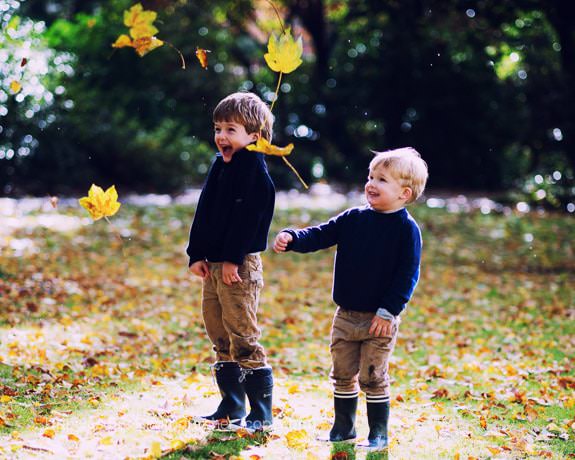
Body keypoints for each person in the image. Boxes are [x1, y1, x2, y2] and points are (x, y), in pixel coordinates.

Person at [273, 147, 428, 449]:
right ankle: (343, 428)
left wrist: (389, 311)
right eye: (370, 176)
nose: (371, 183)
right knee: (342, 374)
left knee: (373, 376)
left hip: (379, 319)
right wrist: (293, 238)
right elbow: (321, 234)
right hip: (345, 315)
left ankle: (378, 433)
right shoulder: (353, 218)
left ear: (404, 193)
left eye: (382, 179)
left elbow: (408, 274)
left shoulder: (406, 230)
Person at [186, 92, 275, 431]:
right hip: (213, 263)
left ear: (254, 136)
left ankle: (261, 413)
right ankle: (231, 403)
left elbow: (249, 218)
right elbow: (205, 210)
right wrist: (197, 253)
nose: (221, 136)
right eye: (217, 128)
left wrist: (233, 259)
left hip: (239, 266)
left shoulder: (253, 170)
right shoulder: (219, 166)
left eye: (231, 129)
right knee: (218, 329)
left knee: (242, 333)